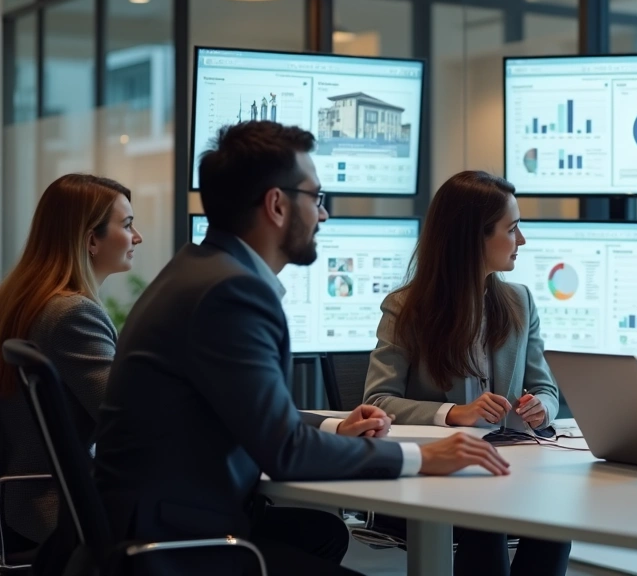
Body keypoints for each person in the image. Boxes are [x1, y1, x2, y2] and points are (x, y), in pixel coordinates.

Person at [92, 122, 510, 576]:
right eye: (316, 198)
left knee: (321, 533)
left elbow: (259, 416)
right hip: (176, 542)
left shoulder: (199, 271)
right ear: (276, 205)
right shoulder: (230, 294)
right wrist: (423, 456)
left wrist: (332, 426)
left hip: (155, 518)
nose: (323, 215)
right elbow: (286, 453)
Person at [364, 170, 570, 576]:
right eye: (512, 230)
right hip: (442, 473)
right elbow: (376, 401)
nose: (522, 241)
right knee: (485, 524)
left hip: (509, 465)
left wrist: (541, 408)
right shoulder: (407, 309)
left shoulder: (519, 300)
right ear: (475, 237)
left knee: (557, 518)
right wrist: (455, 413)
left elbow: (545, 387)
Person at [0, 174, 141, 550]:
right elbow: (127, 420)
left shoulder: (23, 298)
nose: (137, 237)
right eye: (127, 225)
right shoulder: (72, 313)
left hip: (23, 507)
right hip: (56, 515)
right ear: (91, 240)